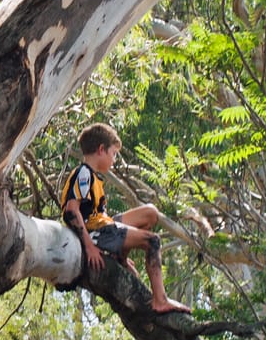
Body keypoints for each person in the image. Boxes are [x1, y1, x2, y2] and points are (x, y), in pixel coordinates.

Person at [59, 122, 188, 313]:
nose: (114, 159)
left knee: (150, 213)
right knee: (153, 241)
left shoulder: (93, 177)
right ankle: (160, 300)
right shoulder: (83, 173)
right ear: (101, 150)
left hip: (104, 224)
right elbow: (71, 211)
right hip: (96, 232)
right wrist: (90, 247)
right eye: (113, 153)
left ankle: (120, 256)